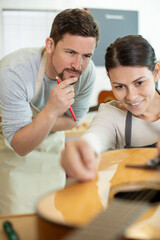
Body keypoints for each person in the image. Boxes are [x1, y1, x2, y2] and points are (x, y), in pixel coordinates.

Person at [0, 8, 100, 214]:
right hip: (13, 159)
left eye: (86, 55)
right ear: (50, 45)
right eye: (70, 52)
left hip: (51, 159)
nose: (78, 65)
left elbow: (74, 120)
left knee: (51, 215)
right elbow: (20, 146)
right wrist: (52, 110)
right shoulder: (14, 73)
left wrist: (33, 123)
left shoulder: (86, 72)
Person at [61, 35, 160, 181]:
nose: (131, 97)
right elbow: (95, 137)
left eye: (139, 83)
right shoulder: (112, 115)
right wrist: (84, 148)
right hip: (128, 202)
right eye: (119, 86)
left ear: (156, 72)